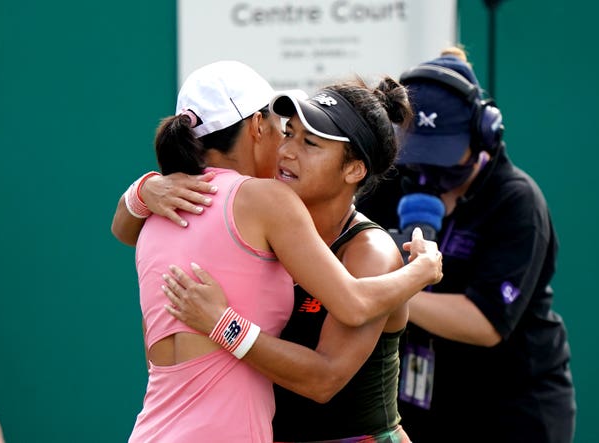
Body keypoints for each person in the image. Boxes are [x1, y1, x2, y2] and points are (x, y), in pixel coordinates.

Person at [112, 60, 442, 442]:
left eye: (310, 143)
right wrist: (143, 190)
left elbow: (325, 379)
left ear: (353, 170)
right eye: (288, 133)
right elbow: (127, 227)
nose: (287, 151)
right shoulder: (258, 221)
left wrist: (223, 325)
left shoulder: (369, 249)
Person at [357, 47, 576, 443]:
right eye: (417, 157)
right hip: (419, 398)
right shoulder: (390, 182)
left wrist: (387, 291)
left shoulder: (517, 202)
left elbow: (486, 322)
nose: (428, 173)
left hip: (510, 405)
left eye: (442, 159)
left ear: (483, 135)